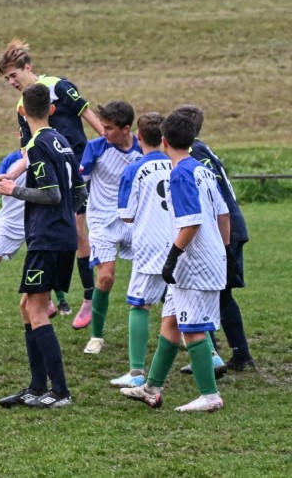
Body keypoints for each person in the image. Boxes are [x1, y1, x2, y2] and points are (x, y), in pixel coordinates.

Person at [0, 40, 104, 330]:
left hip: (74, 167)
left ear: (27, 68)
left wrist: (110, 144)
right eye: (7, 79)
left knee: (76, 229)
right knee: (38, 226)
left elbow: (89, 116)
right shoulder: (23, 107)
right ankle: (47, 297)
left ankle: (89, 298)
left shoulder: (58, 86)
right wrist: (10, 176)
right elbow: (27, 153)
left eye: (13, 75)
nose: (12, 82)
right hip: (46, 171)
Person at [120, 110, 228, 412]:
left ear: (164, 140)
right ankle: (151, 389)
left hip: (192, 263)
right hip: (206, 258)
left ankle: (210, 396)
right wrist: (223, 250)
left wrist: (172, 257)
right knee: (170, 322)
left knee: (192, 329)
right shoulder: (202, 169)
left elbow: (191, 223)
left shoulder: (179, 174)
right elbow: (223, 214)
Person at [0, 82, 87, 408]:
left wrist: (14, 190)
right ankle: (36, 387)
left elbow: (52, 194)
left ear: (22, 111)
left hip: (47, 239)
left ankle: (59, 392)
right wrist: (67, 221)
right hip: (60, 236)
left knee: (35, 309)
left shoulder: (36, 146)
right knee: (27, 306)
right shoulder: (62, 141)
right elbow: (80, 191)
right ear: (52, 110)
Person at [174, 104, 255, 374]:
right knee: (219, 294)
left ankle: (215, 354)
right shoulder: (202, 148)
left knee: (212, 292)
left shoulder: (193, 154)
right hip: (230, 225)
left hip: (224, 228)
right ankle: (232, 353)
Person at [0, 149, 71, 318]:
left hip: (38, 218)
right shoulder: (12, 160)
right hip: (11, 220)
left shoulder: (44, 155)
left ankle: (61, 301)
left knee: (47, 258)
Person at [111, 112, 173, 387]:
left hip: (150, 246)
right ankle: (211, 355)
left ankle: (136, 373)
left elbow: (126, 215)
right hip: (180, 243)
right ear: (165, 138)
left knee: (139, 304)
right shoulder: (178, 164)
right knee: (184, 303)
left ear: (138, 136)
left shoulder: (134, 169)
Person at [78, 101, 142, 355]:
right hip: (101, 220)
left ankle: (179, 328)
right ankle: (96, 336)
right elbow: (79, 182)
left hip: (135, 220)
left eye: (109, 128)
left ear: (126, 129)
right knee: (105, 277)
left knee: (158, 272)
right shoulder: (95, 147)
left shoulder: (142, 149)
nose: (103, 132)